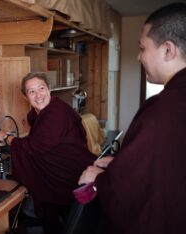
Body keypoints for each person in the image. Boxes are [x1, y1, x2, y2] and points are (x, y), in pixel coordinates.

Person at [78, 3, 186, 234]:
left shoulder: (163, 110)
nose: (138, 56)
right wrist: (121, 165)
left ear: (168, 50)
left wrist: (100, 179)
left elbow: (131, 193)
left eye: (142, 48)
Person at [0, 72, 95, 234]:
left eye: (41, 88)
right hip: (69, 173)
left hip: (69, 177)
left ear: (49, 89)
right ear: (25, 96)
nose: (38, 95)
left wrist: (8, 138)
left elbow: (35, 146)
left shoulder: (56, 113)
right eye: (31, 91)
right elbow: (41, 136)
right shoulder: (44, 112)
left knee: (64, 223)